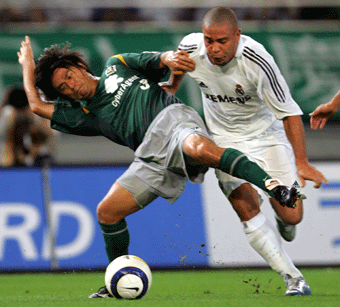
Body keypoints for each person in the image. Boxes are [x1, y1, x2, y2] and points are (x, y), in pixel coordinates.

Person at [18, 35, 302, 299]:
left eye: (69, 76)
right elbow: (35, 104)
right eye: (63, 88)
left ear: (79, 65)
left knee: (198, 148)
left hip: (174, 121)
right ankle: (116, 276)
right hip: (150, 156)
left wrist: (169, 60)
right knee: (107, 212)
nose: (72, 86)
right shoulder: (83, 115)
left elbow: (160, 59)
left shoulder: (116, 65)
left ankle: (274, 187)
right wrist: (27, 68)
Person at [162, 7, 328, 296]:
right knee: (247, 211)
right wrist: (173, 85)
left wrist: (301, 162)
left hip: (267, 138)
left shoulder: (258, 59)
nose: (213, 49)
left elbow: (289, 113)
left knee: (292, 217)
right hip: (224, 141)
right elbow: (177, 68)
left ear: (237, 36)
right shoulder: (190, 46)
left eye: (222, 41)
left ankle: (281, 219)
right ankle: (293, 277)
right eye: (208, 40)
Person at [0, 84, 55, 167]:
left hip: (35, 158)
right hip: (8, 158)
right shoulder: (9, 112)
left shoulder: (35, 114)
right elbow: (11, 134)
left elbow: (47, 133)